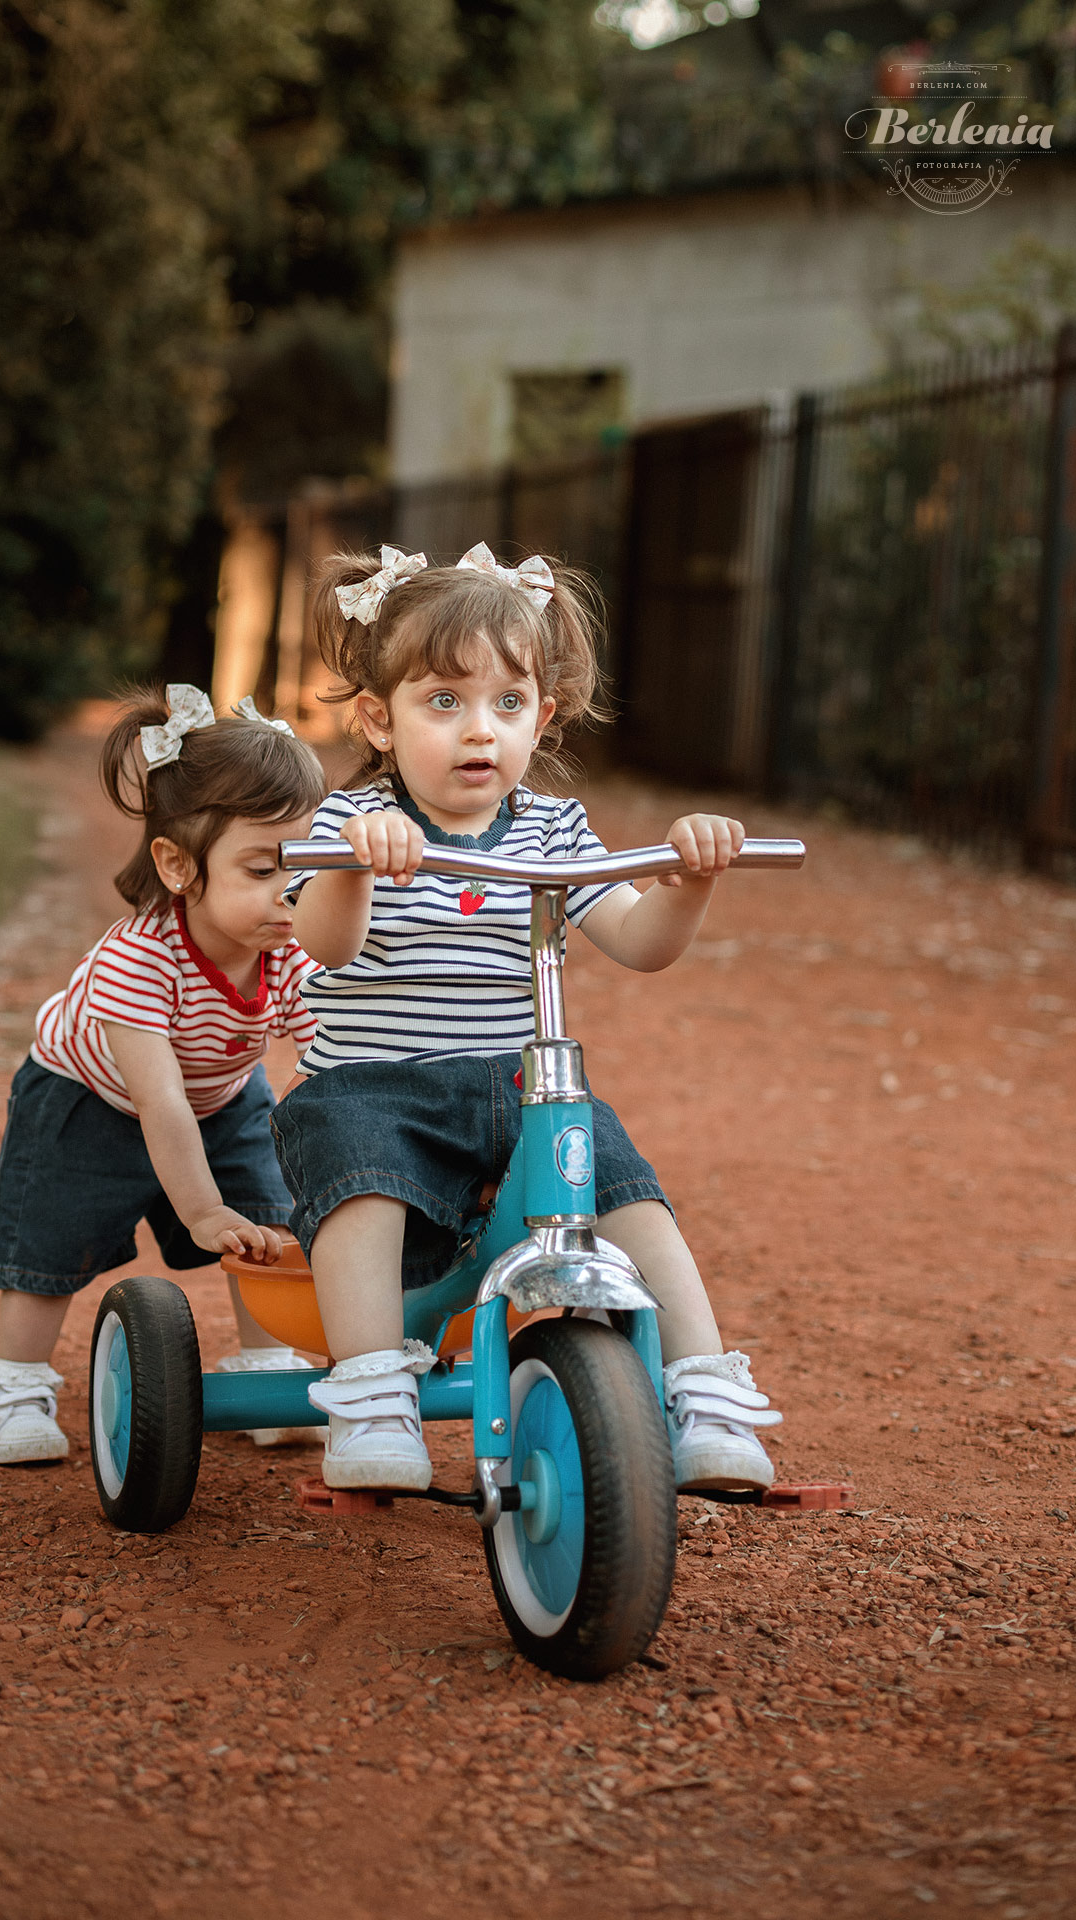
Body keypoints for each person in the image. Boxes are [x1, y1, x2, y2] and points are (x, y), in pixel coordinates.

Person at [272, 542, 783, 1494]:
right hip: (372, 1091)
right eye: (445, 703)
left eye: (508, 705)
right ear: (380, 721)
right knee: (360, 1185)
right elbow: (327, 947)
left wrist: (686, 881)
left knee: (629, 1193)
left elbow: (640, 943)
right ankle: (373, 1389)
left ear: (542, 718)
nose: (481, 731)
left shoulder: (554, 831)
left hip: (520, 1088)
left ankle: (702, 1388)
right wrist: (360, 862)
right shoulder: (346, 823)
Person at [0, 685, 326, 1465]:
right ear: (177, 864)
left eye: (308, 870)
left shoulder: (289, 948)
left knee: (267, 1214)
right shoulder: (139, 959)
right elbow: (159, 1102)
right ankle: (12, 1383)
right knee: (52, 1238)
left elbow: (329, 1061)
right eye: (264, 869)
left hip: (222, 1096)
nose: (291, 897)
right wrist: (198, 1212)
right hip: (90, 1098)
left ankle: (267, 1366)